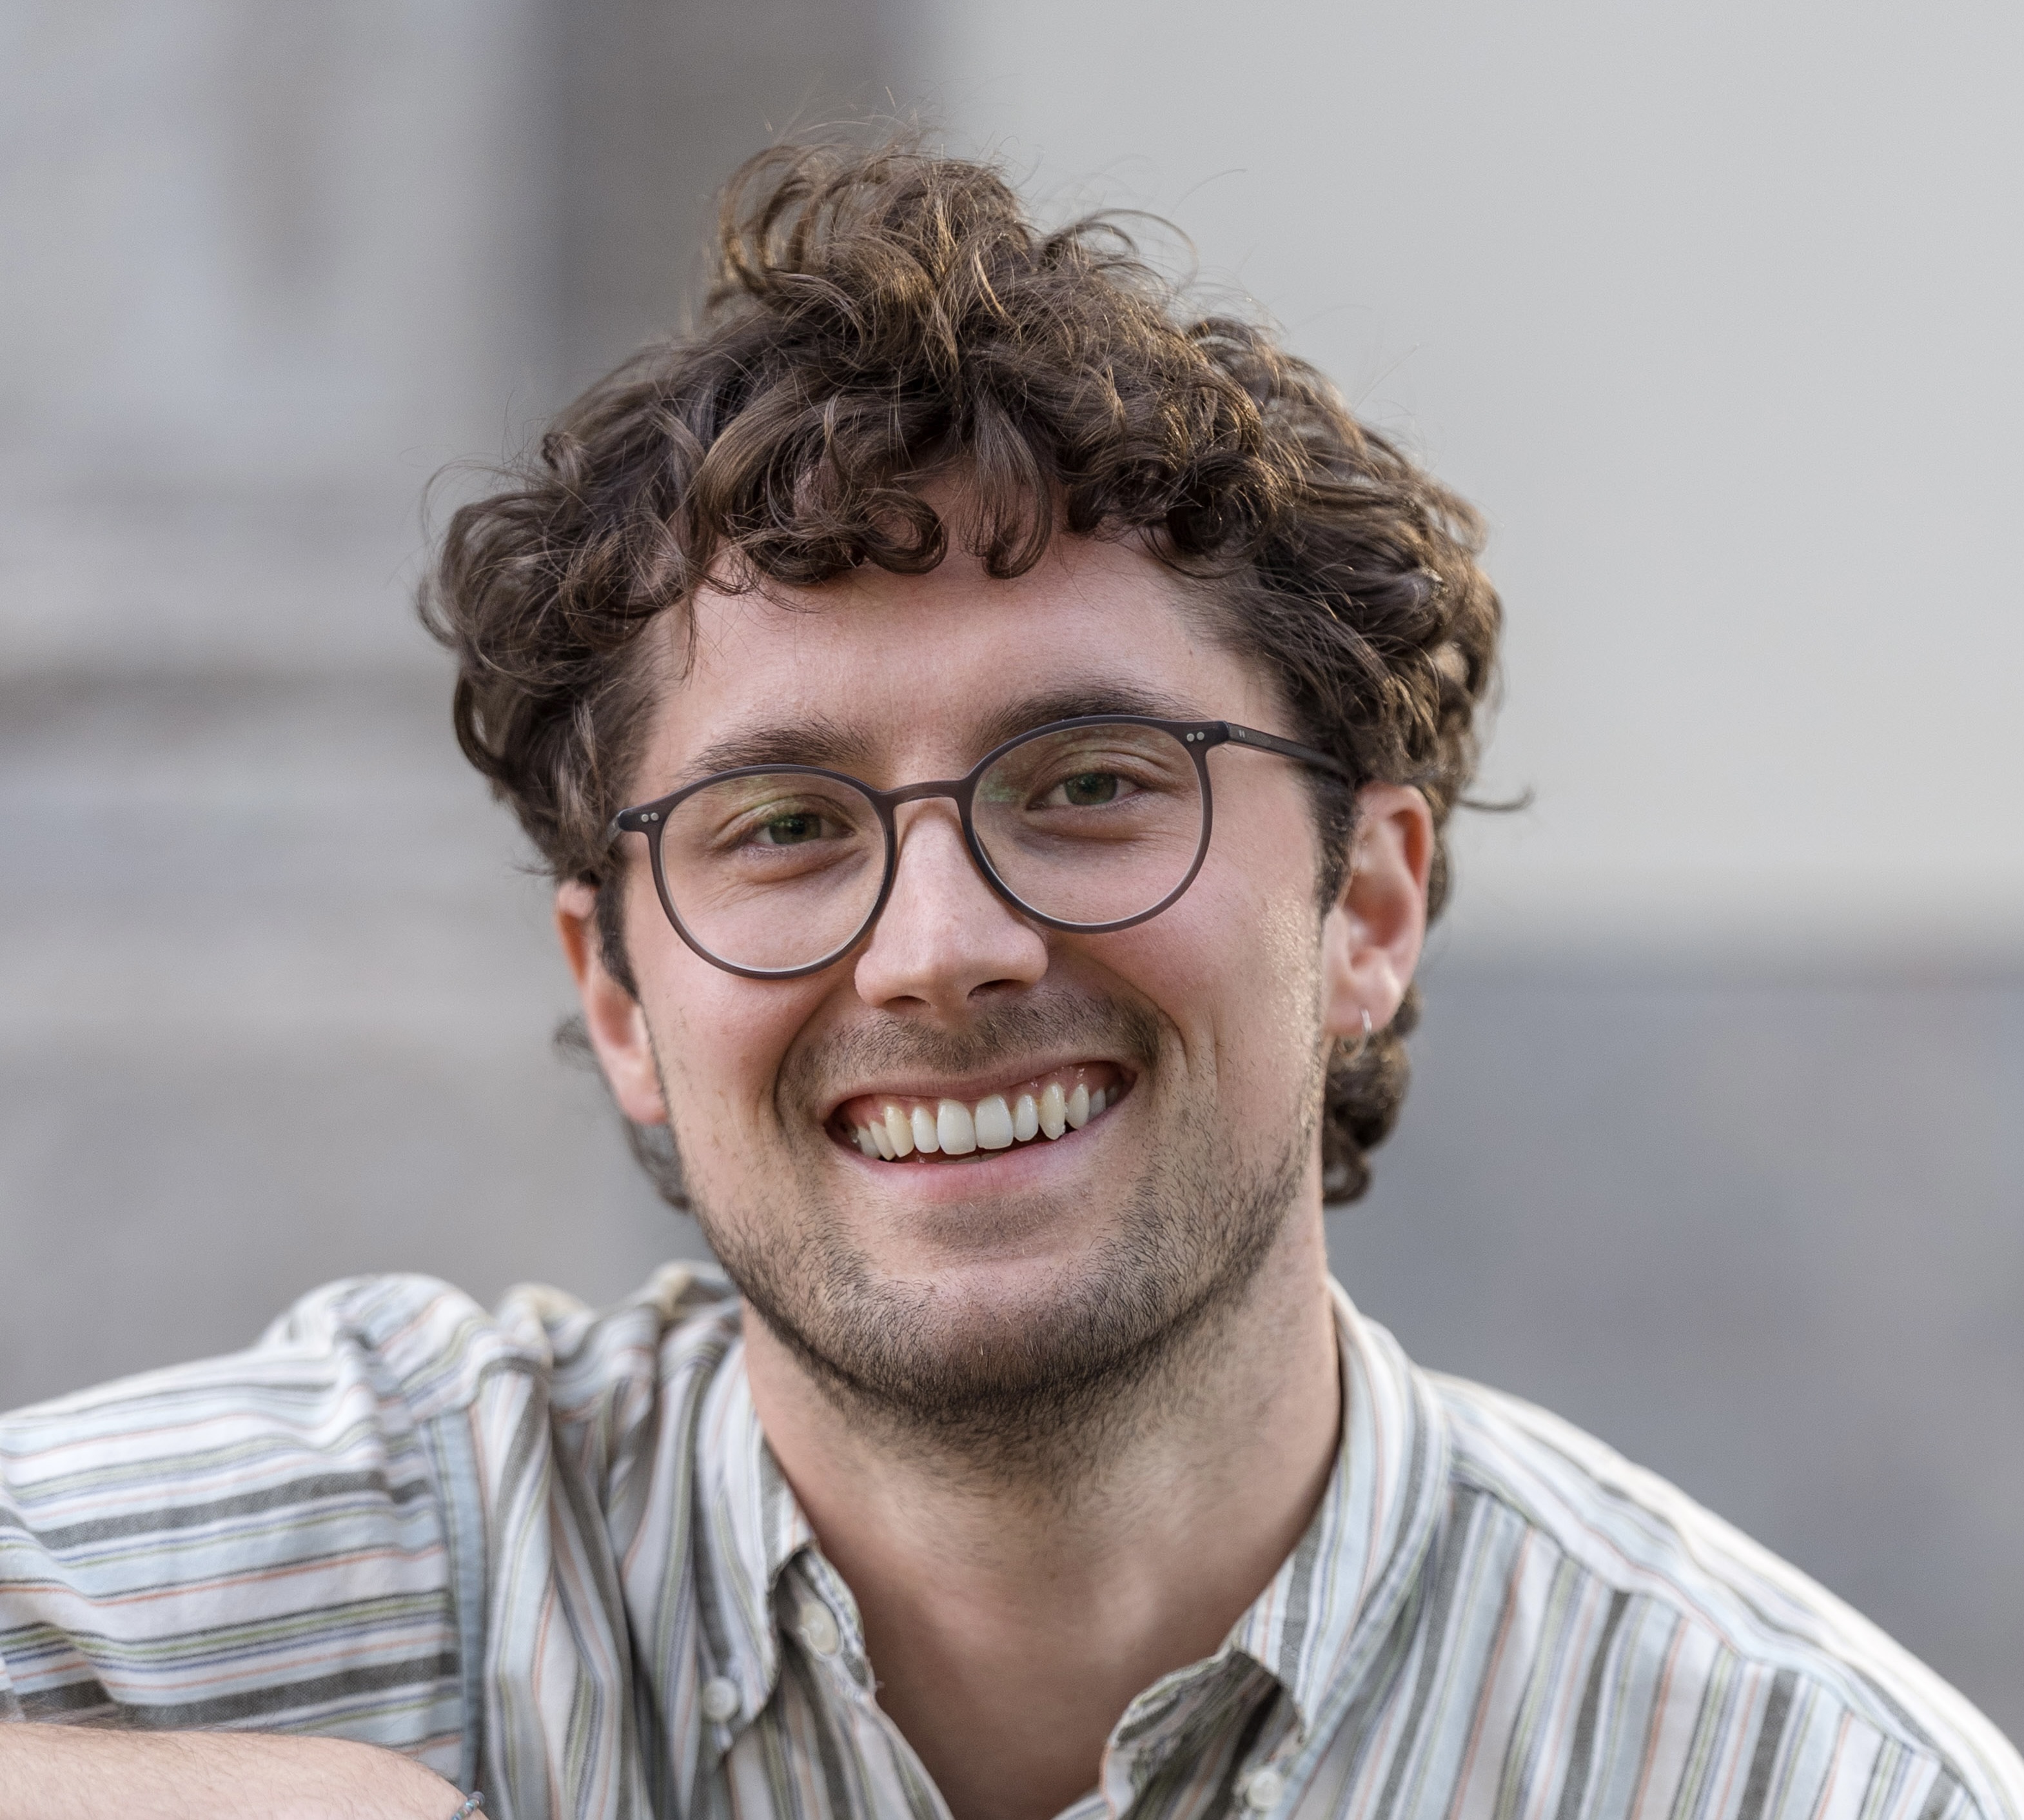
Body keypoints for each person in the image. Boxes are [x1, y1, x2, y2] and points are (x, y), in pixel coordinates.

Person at [0, 141, 2016, 1820]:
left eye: (1091, 786)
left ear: (1367, 909)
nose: (942, 948)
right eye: (782, 824)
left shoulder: (1799, 1782)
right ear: (618, 998)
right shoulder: (415, 1541)